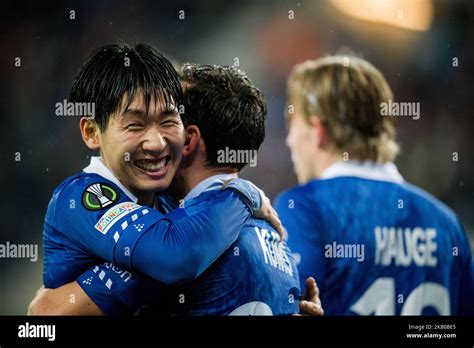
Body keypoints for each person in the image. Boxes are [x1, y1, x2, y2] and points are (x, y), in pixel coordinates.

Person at [31, 43, 280, 304]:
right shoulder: (82, 196)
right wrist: (242, 194)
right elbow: (176, 259)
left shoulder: (167, 202)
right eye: (135, 125)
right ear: (92, 132)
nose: (157, 143)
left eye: (168, 121)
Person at [275, 55, 474, 315]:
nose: (289, 140)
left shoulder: (305, 209)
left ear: (318, 130)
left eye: (292, 125)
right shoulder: (446, 224)